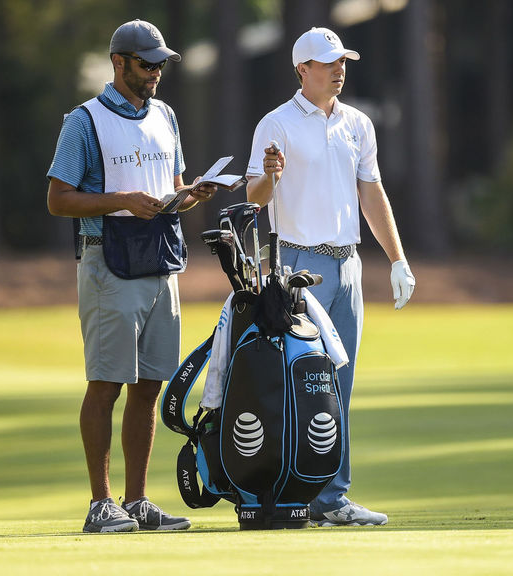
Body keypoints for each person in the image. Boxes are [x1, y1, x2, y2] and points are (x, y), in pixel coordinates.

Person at [47, 19, 217, 533]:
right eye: (147, 64)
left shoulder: (165, 114)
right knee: (106, 384)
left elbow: (172, 186)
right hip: (108, 261)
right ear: (118, 63)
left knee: (148, 386)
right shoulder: (85, 120)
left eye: (161, 64)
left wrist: (193, 194)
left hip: (159, 262)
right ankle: (101, 505)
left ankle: (137, 501)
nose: (156, 73)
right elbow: (58, 199)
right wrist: (121, 200)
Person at [245, 27, 416, 527]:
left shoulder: (358, 124)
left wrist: (398, 258)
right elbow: (256, 196)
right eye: (327, 62)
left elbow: (371, 192)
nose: (338, 69)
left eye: (342, 61)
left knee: (339, 383)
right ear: (302, 69)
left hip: (348, 264)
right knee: (297, 381)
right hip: (298, 265)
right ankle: (284, 489)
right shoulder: (275, 124)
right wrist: (271, 175)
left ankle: (331, 498)